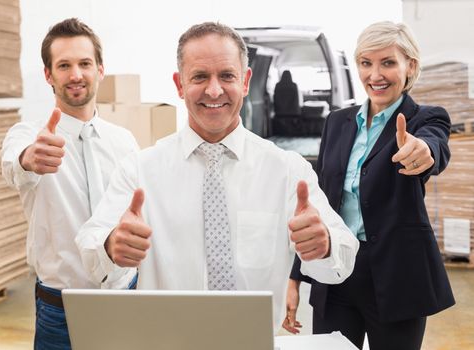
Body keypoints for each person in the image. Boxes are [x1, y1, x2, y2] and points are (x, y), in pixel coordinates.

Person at [76, 21, 359, 332]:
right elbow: (91, 257)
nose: (214, 90)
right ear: (179, 84)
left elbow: (343, 261)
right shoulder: (140, 171)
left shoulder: (287, 171)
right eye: (199, 77)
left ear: (246, 80)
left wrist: (325, 244)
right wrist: (110, 245)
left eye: (227, 76)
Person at [283, 21, 455, 350]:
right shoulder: (337, 122)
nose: (375, 75)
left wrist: (423, 152)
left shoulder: (425, 118)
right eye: (366, 63)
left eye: (388, 62)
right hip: (336, 270)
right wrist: (296, 275)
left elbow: (433, 147)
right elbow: (318, 204)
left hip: (396, 278)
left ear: (410, 67)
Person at [1, 18, 139, 350]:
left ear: (100, 70)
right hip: (60, 310)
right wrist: (31, 158)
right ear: (48, 75)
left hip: (125, 298)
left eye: (84, 64)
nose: (75, 74)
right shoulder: (29, 135)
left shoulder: (125, 143)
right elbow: (13, 164)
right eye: (64, 65)